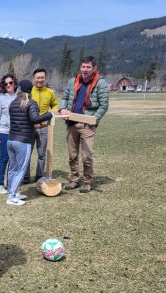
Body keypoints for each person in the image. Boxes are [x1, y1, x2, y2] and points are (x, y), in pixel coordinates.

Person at [59, 56, 110, 193]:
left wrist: (94, 119)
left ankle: (87, 182)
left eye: (88, 67)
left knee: (87, 156)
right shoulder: (73, 81)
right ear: (80, 67)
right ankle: (74, 180)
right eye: (83, 67)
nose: (85, 69)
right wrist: (62, 108)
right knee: (72, 155)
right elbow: (64, 98)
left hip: (87, 126)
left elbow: (104, 105)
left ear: (94, 69)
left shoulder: (101, 83)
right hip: (71, 123)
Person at [6, 80, 53, 206]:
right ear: (30, 90)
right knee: (20, 170)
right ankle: (11, 197)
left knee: (12, 169)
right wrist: (49, 114)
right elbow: (34, 119)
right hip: (23, 141)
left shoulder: (13, 103)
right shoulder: (31, 103)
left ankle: (13, 192)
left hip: (11, 140)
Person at [25, 68, 58, 183]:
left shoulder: (50, 92)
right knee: (27, 153)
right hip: (30, 127)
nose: (40, 80)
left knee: (42, 153)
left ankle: (39, 175)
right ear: (33, 78)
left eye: (42, 77)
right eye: (38, 77)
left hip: (44, 128)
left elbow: (55, 106)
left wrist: (53, 114)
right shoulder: (29, 92)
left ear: (45, 78)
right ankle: (25, 177)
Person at [0, 73, 17, 194]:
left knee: (14, 159)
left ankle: (11, 182)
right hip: (4, 132)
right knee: (4, 158)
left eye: (10, 83)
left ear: (14, 83)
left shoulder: (19, 97)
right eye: (6, 84)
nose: (8, 85)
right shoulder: (0, 99)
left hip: (17, 132)